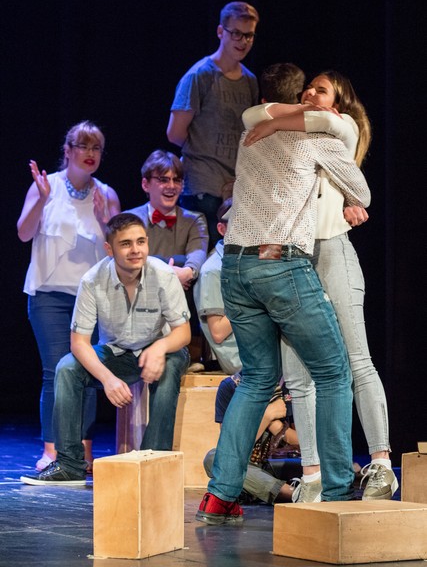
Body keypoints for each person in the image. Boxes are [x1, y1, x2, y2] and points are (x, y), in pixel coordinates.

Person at [195, 82, 371, 525]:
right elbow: (363, 193)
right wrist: (342, 193)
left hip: (236, 264)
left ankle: (219, 497)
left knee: (256, 380)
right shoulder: (320, 138)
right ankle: (336, 491)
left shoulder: (251, 132)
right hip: (280, 263)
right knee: (333, 372)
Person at [243, 68, 397, 502]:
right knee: (299, 376)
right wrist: (275, 123)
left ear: (340, 103)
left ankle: (382, 465)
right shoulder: (294, 139)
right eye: (307, 87)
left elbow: (316, 120)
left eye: (321, 90)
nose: (310, 92)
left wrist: (274, 122)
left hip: (331, 252)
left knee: (357, 360)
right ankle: (312, 476)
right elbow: (251, 116)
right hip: (292, 260)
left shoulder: (342, 128)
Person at [20, 213, 191, 486]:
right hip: (117, 353)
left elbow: (183, 333)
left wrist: (160, 347)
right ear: (109, 249)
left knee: (170, 365)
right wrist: (108, 379)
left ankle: (153, 461)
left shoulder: (163, 275)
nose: (136, 250)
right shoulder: (92, 280)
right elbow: (79, 343)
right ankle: (70, 465)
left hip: (160, 350)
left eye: (141, 242)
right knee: (66, 368)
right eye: (126, 244)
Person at [17, 121, 121, 472]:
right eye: (83, 146)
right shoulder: (47, 186)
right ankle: (52, 450)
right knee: (54, 371)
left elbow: (118, 251)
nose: (90, 154)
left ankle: (84, 452)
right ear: (68, 150)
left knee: (86, 372)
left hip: (89, 298)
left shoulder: (106, 194)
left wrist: (105, 219)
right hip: (48, 295)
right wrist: (41, 199)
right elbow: (23, 233)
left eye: (96, 148)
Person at [166, 1, 259, 247]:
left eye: (248, 35)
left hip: (234, 189)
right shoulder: (200, 75)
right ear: (220, 32)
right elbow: (175, 133)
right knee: (201, 257)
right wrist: (205, 149)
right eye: (236, 33)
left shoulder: (249, 80)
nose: (242, 41)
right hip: (202, 187)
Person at [203, 373, 300, 505]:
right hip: (250, 465)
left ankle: (250, 491)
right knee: (213, 458)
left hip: (283, 463)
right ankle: (293, 494)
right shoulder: (230, 386)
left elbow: (301, 442)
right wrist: (266, 417)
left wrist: (277, 427)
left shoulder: (290, 385)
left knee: (230, 477)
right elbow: (230, 446)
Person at [127, 150, 208, 290]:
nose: (171, 186)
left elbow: (197, 254)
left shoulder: (194, 220)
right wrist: (168, 278)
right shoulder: (128, 221)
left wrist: (186, 273)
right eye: (163, 180)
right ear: (145, 184)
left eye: (176, 180)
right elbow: (126, 265)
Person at [193, 198, 242, 374]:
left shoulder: (247, 262)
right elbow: (218, 332)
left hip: (261, 346)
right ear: (222, 229)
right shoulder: (213, 270)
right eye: (238, 224)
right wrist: (252, 300)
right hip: (241, 358)